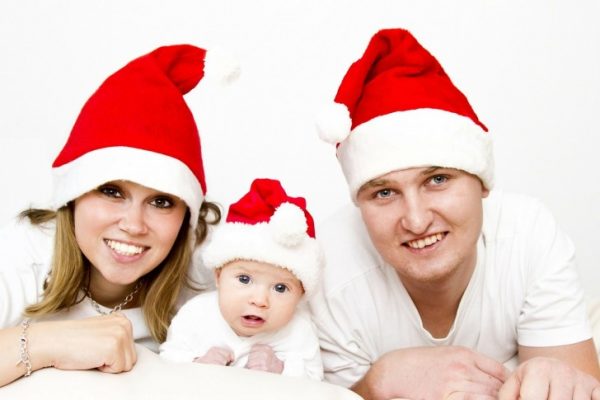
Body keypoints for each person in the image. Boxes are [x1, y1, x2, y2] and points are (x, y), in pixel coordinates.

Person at [310, 28, 600, 399]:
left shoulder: (528, 235)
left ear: (482, 184)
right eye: (384, 192)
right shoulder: (329, 270)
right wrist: (374, 385)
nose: (416, 221)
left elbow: (575, 387)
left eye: (438, 180)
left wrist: (553, 374)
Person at [0, 43, 239, 387]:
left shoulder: (208, 269)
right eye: (112, 192)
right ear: (73, 196)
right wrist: (48, 343)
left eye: (161, 202)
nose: (133, 225)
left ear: (188, 216)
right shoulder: (25, 251)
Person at [160, 178, 324, 380]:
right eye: (244, 279)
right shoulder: (196, 314)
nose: (260, 300)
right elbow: (166, 366)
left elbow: (316, 385)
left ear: (301, 294)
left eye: (280, 288)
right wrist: (197, 365)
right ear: (219, 277)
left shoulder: (299, 331)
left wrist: (281, 369)